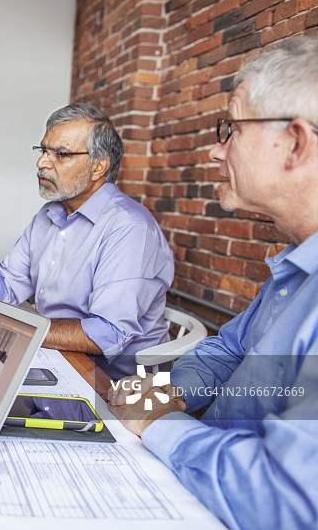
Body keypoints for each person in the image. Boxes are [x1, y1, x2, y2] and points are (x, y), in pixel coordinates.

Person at [107, 35, 318, 530]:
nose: (214, 151)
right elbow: (229, 350)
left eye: (231, 130)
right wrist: (172, 396)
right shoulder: (294, 271)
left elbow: (287, 501)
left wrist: (160, 424)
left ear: (296, 143)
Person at [0, 104, 174, 379]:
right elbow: (8, 283)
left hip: (115, 383)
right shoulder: (49, 214)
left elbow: (106, 333)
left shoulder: (129, 227)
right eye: (43, 150)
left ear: (98, 167)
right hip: (54, 354)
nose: (41, 163)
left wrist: (15, 328)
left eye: (61, 154)